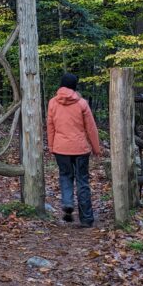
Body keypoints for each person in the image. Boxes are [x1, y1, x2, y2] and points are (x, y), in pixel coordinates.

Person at [46, 72, 101, 227]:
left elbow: (50, 127)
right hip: (80, 149)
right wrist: (96, 148)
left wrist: (51, 146)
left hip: (60, 148)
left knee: (65, 176)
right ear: (74, 86)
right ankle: (86, 219)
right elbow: (91, 128)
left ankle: (68, 202)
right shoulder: (82, 103)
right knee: (82, 180)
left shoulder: (52, 103)